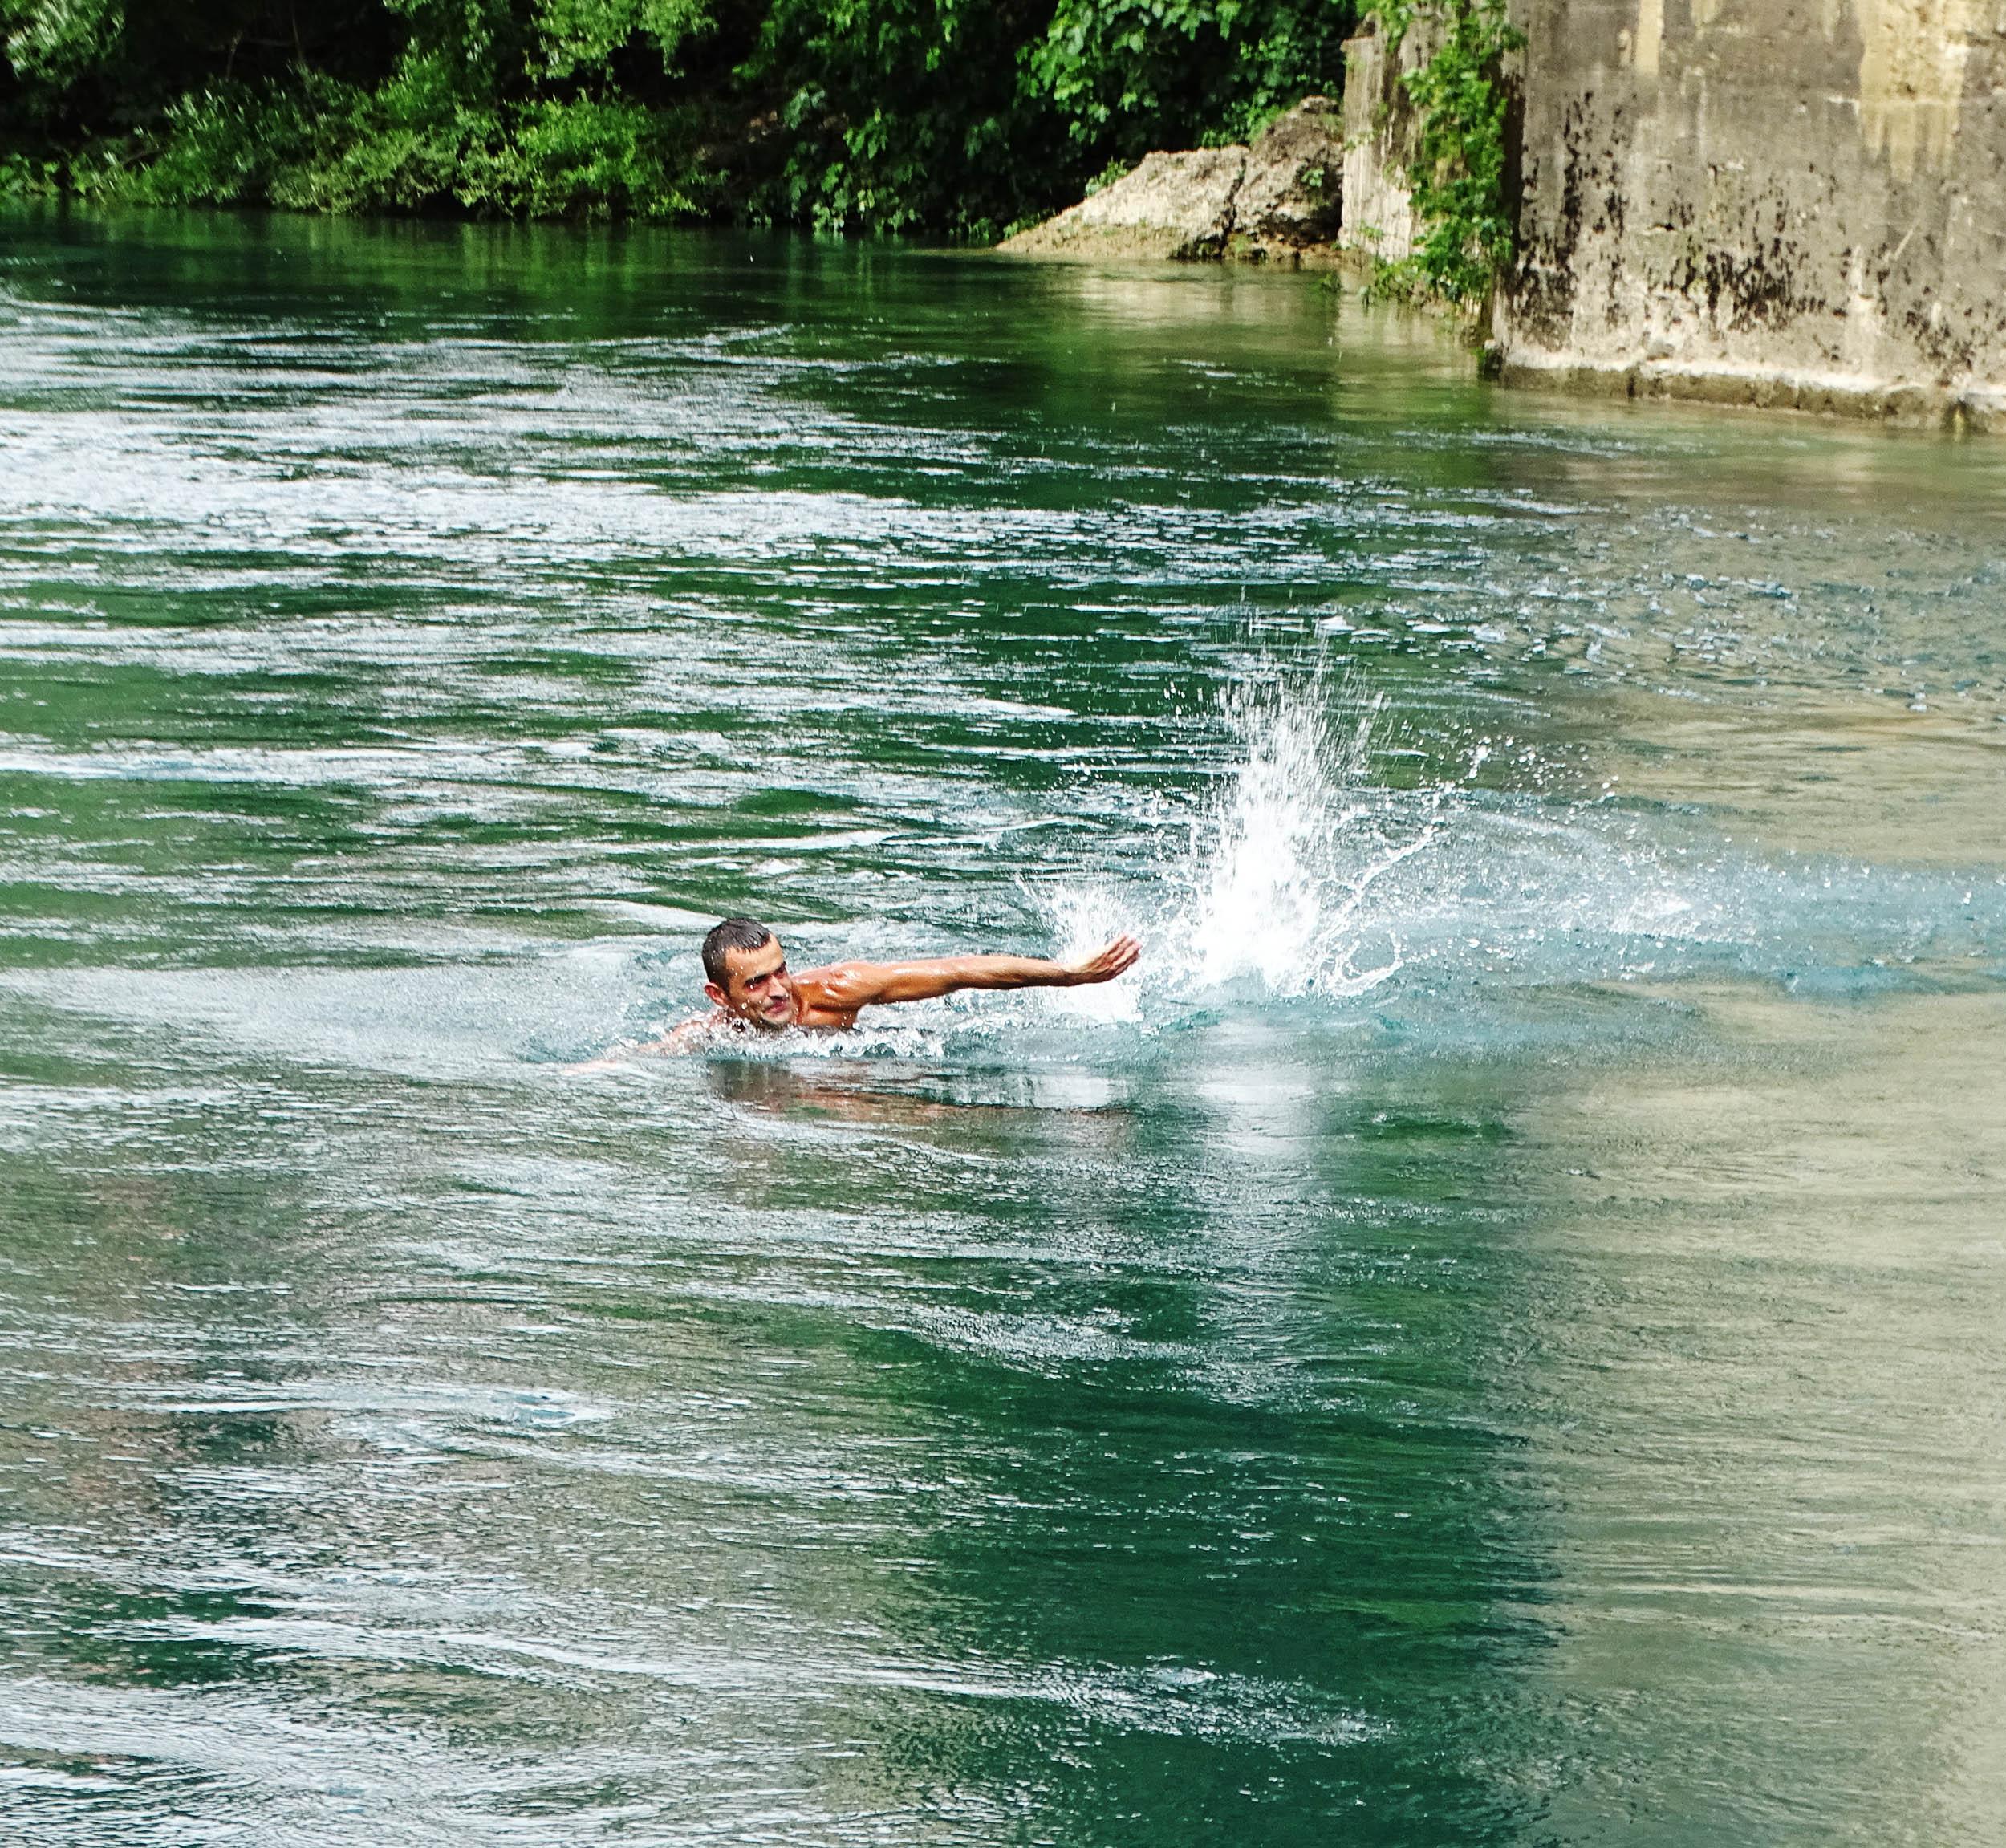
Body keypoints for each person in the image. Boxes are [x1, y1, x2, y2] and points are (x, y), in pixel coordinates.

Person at [574, 916, 1141, 1064]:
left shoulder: (838, 989)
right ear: (720, 996)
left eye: (781, 969)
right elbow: (651, 1051)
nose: (779, 991)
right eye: (757, 981)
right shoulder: (713, 1031)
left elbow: (959, 970)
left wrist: (1069, 974)